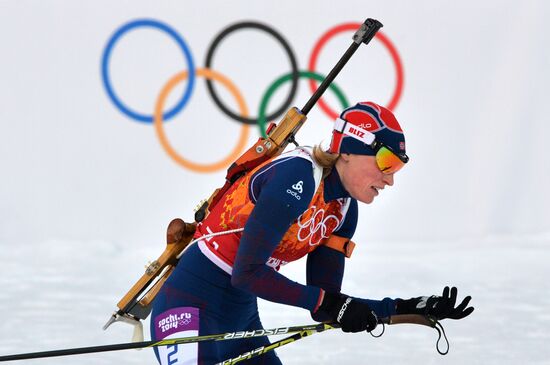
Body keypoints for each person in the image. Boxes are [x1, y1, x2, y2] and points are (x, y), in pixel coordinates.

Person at [150, 101, 474, 364]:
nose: (390, 179)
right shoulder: (298, 177)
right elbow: (246, 273)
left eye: (398, 167)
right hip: (188, 306)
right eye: (386, 162)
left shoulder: (345, 211)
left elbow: (326, 305)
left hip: (241, 320)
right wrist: (333, 305)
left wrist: (405, 307)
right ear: (348, 150)